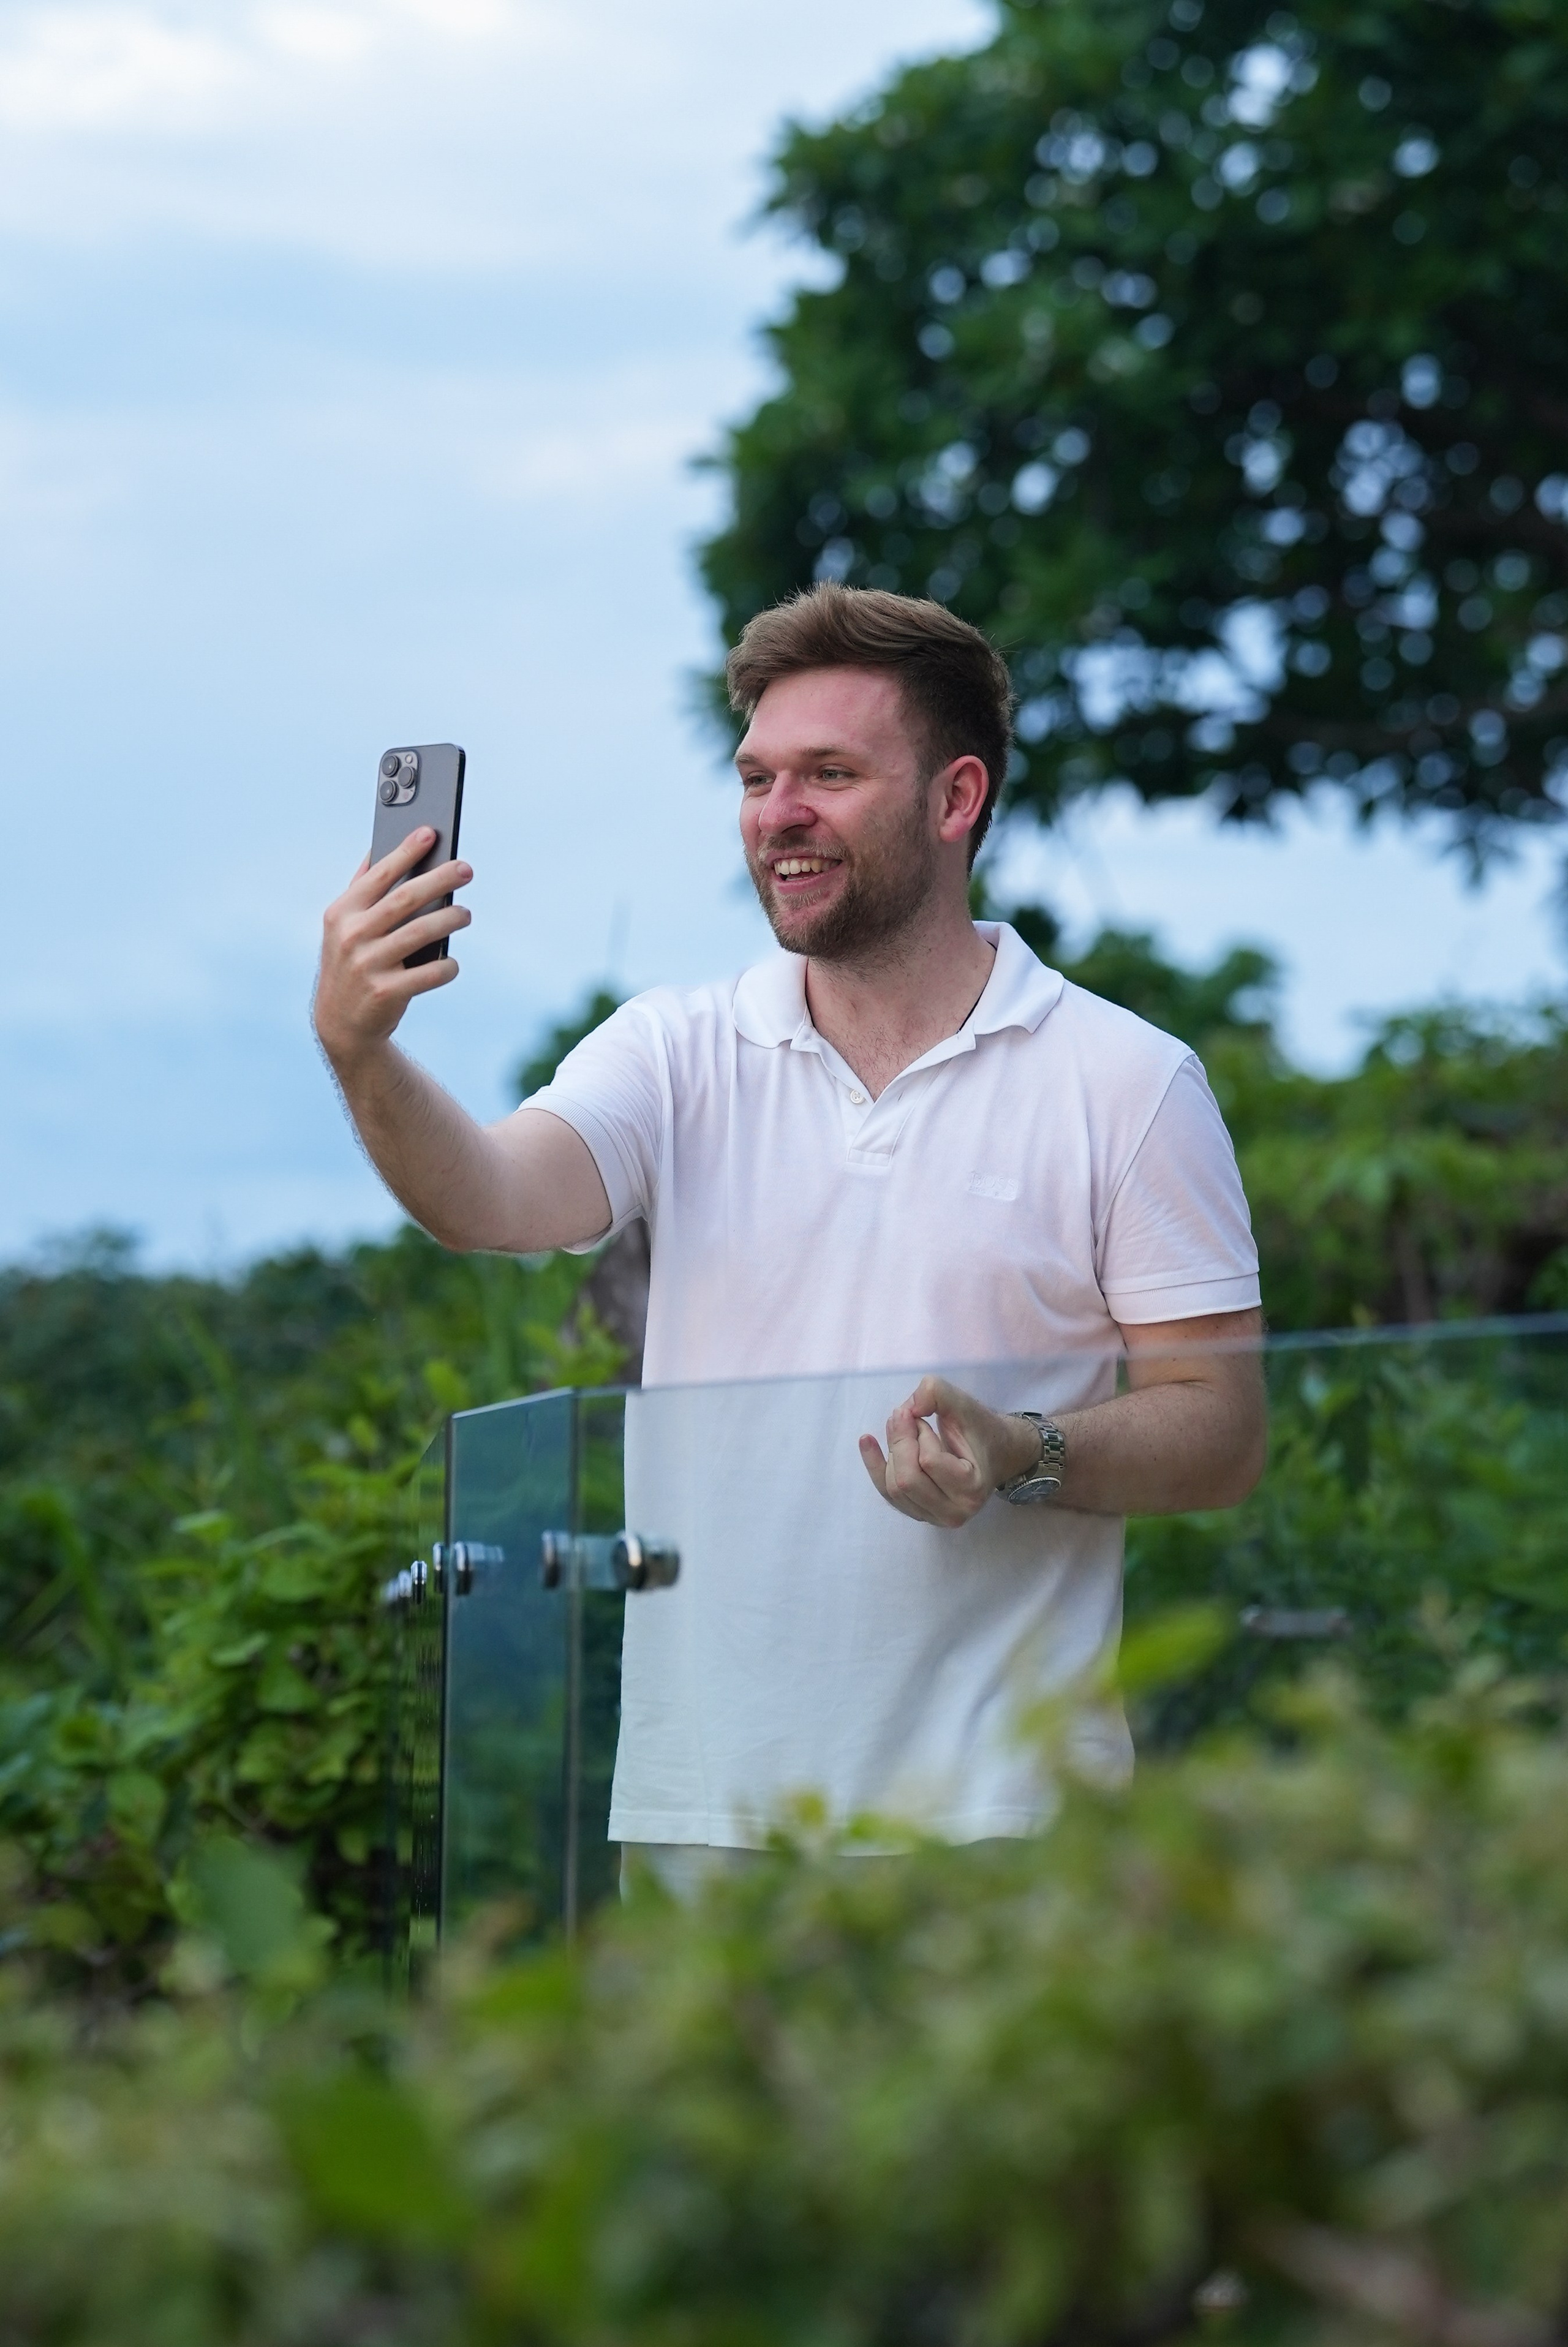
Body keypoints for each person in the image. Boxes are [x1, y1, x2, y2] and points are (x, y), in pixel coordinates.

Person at [314, 585, 1266, 1883]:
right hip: (708, 1817)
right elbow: (485, 1197)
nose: (779, 813)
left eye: (829, 772)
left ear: (954, 797)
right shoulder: (674, 1046)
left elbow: (1216, 1424)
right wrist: (359, 1050)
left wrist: (1019, 1450)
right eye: (757, 775)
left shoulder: (1126, 1079)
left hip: (1007, 1822)